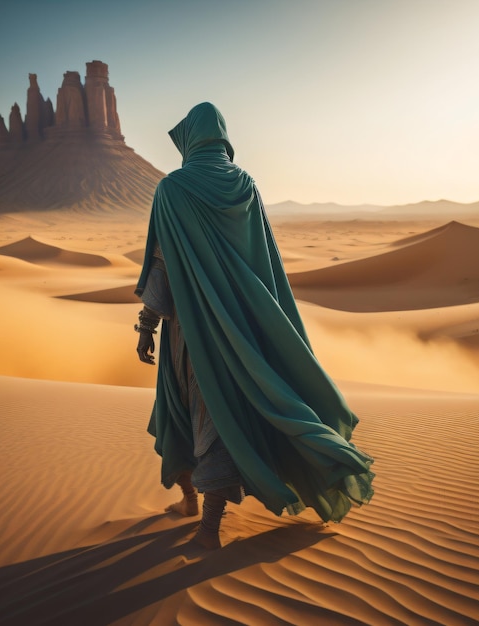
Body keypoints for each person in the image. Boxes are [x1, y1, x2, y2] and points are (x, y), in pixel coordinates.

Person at [135, 102, 374, 549]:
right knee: (218, 408)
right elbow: (263, 261)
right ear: (221, 136)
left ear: (190, 139)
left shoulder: (172, 189)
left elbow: (162, 262)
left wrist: (147, 323)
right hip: (243, 328)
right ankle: (191, 503)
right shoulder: (245, 184)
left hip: (191, 329)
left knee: (198, 410)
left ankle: (207, 528)